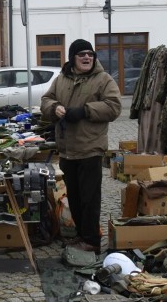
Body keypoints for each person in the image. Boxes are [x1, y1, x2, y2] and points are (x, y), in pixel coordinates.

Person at [41, 39, 122, 253]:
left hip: (90, 148)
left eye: (90, 54)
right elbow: (46, 100)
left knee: (90, 198)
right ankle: (80, 235)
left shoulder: (103, 80)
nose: (87, 57)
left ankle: (92, 241)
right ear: (72, 58)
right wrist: (54, 108)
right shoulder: (61, 79)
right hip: (67, 149)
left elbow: (114, 107)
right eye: (82, 54)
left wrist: (85, 111)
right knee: (74, 197)